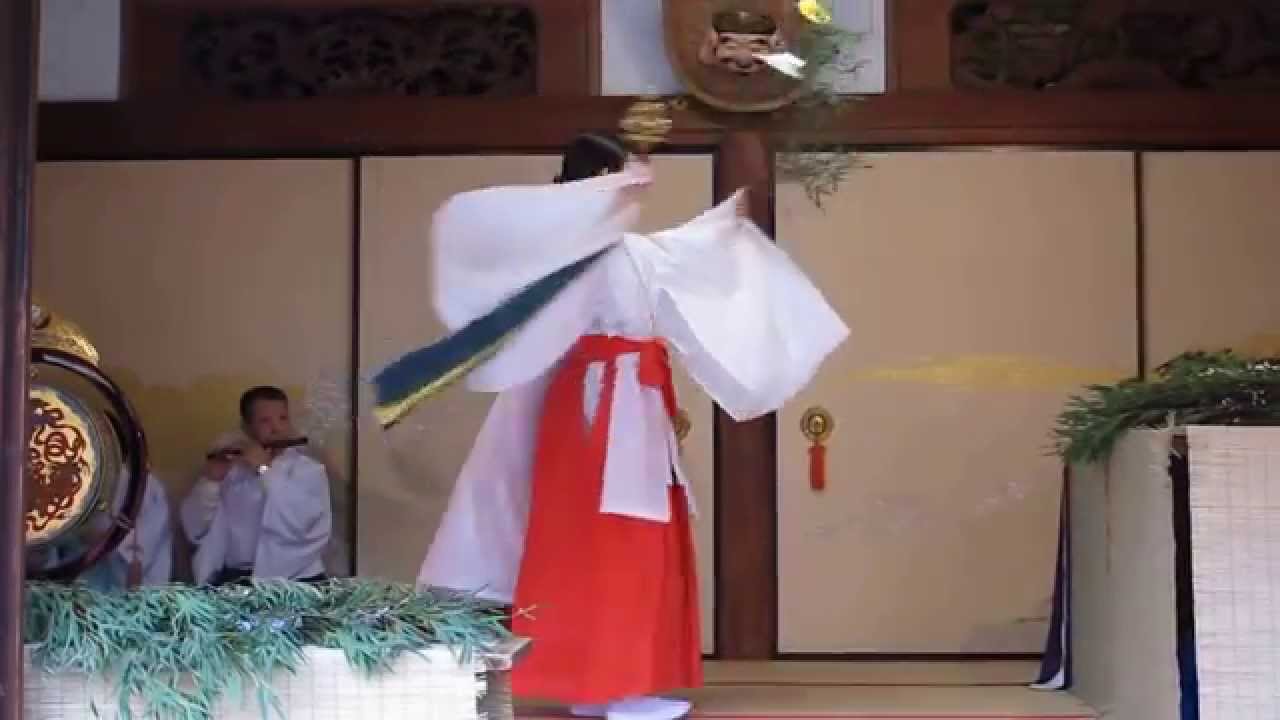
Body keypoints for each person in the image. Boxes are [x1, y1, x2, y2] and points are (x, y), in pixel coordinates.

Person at [393, 134, 848, 720]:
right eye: (631, 177)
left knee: (612, 542)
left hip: (612, 402)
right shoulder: (583, 251)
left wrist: (719, 227)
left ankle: (604, 684)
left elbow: (673, 261)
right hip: (601, 407)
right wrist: (720, 232)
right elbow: (676, 264)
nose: (640, 188)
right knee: (612, 542)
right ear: (602, 180)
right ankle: (614, 688)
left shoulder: (599, 249)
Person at [181, 386, 331, 584]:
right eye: (265, 421)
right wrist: (211, 481)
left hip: (296, 579)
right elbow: (195, 529)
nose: (276, 428)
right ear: (247, 427)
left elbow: (300, 523)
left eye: (283, 418)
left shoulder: (309, 471)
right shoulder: (232, 469)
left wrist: (263, 469)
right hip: (235, 579)